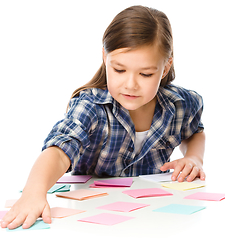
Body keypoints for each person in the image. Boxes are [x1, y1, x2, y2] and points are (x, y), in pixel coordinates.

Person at [1, 5, 205, 230]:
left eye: (146, 74)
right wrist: (33, 194)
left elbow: (194, 130)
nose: (130, 84)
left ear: (165, 68)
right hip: (92, 216)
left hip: (153, 214)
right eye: (119, 70)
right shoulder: (91, 106)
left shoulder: (182, 103)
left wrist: (194, 158)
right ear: (104, 57)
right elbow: (58, 152)